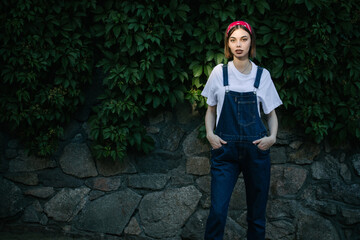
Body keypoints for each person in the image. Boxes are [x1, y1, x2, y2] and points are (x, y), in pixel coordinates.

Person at [201, 21, 283, 240]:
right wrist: (210, 134)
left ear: (251, 43)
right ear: (228, 44)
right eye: (233, 39)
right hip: (225, 152)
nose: (239, 44)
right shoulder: (219, 73)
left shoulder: (262, 75)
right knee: (217, 211)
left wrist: (272, 138)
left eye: (244, 39)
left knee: (256, 215)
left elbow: (271, 114)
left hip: (256, 152)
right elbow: (210, 111)